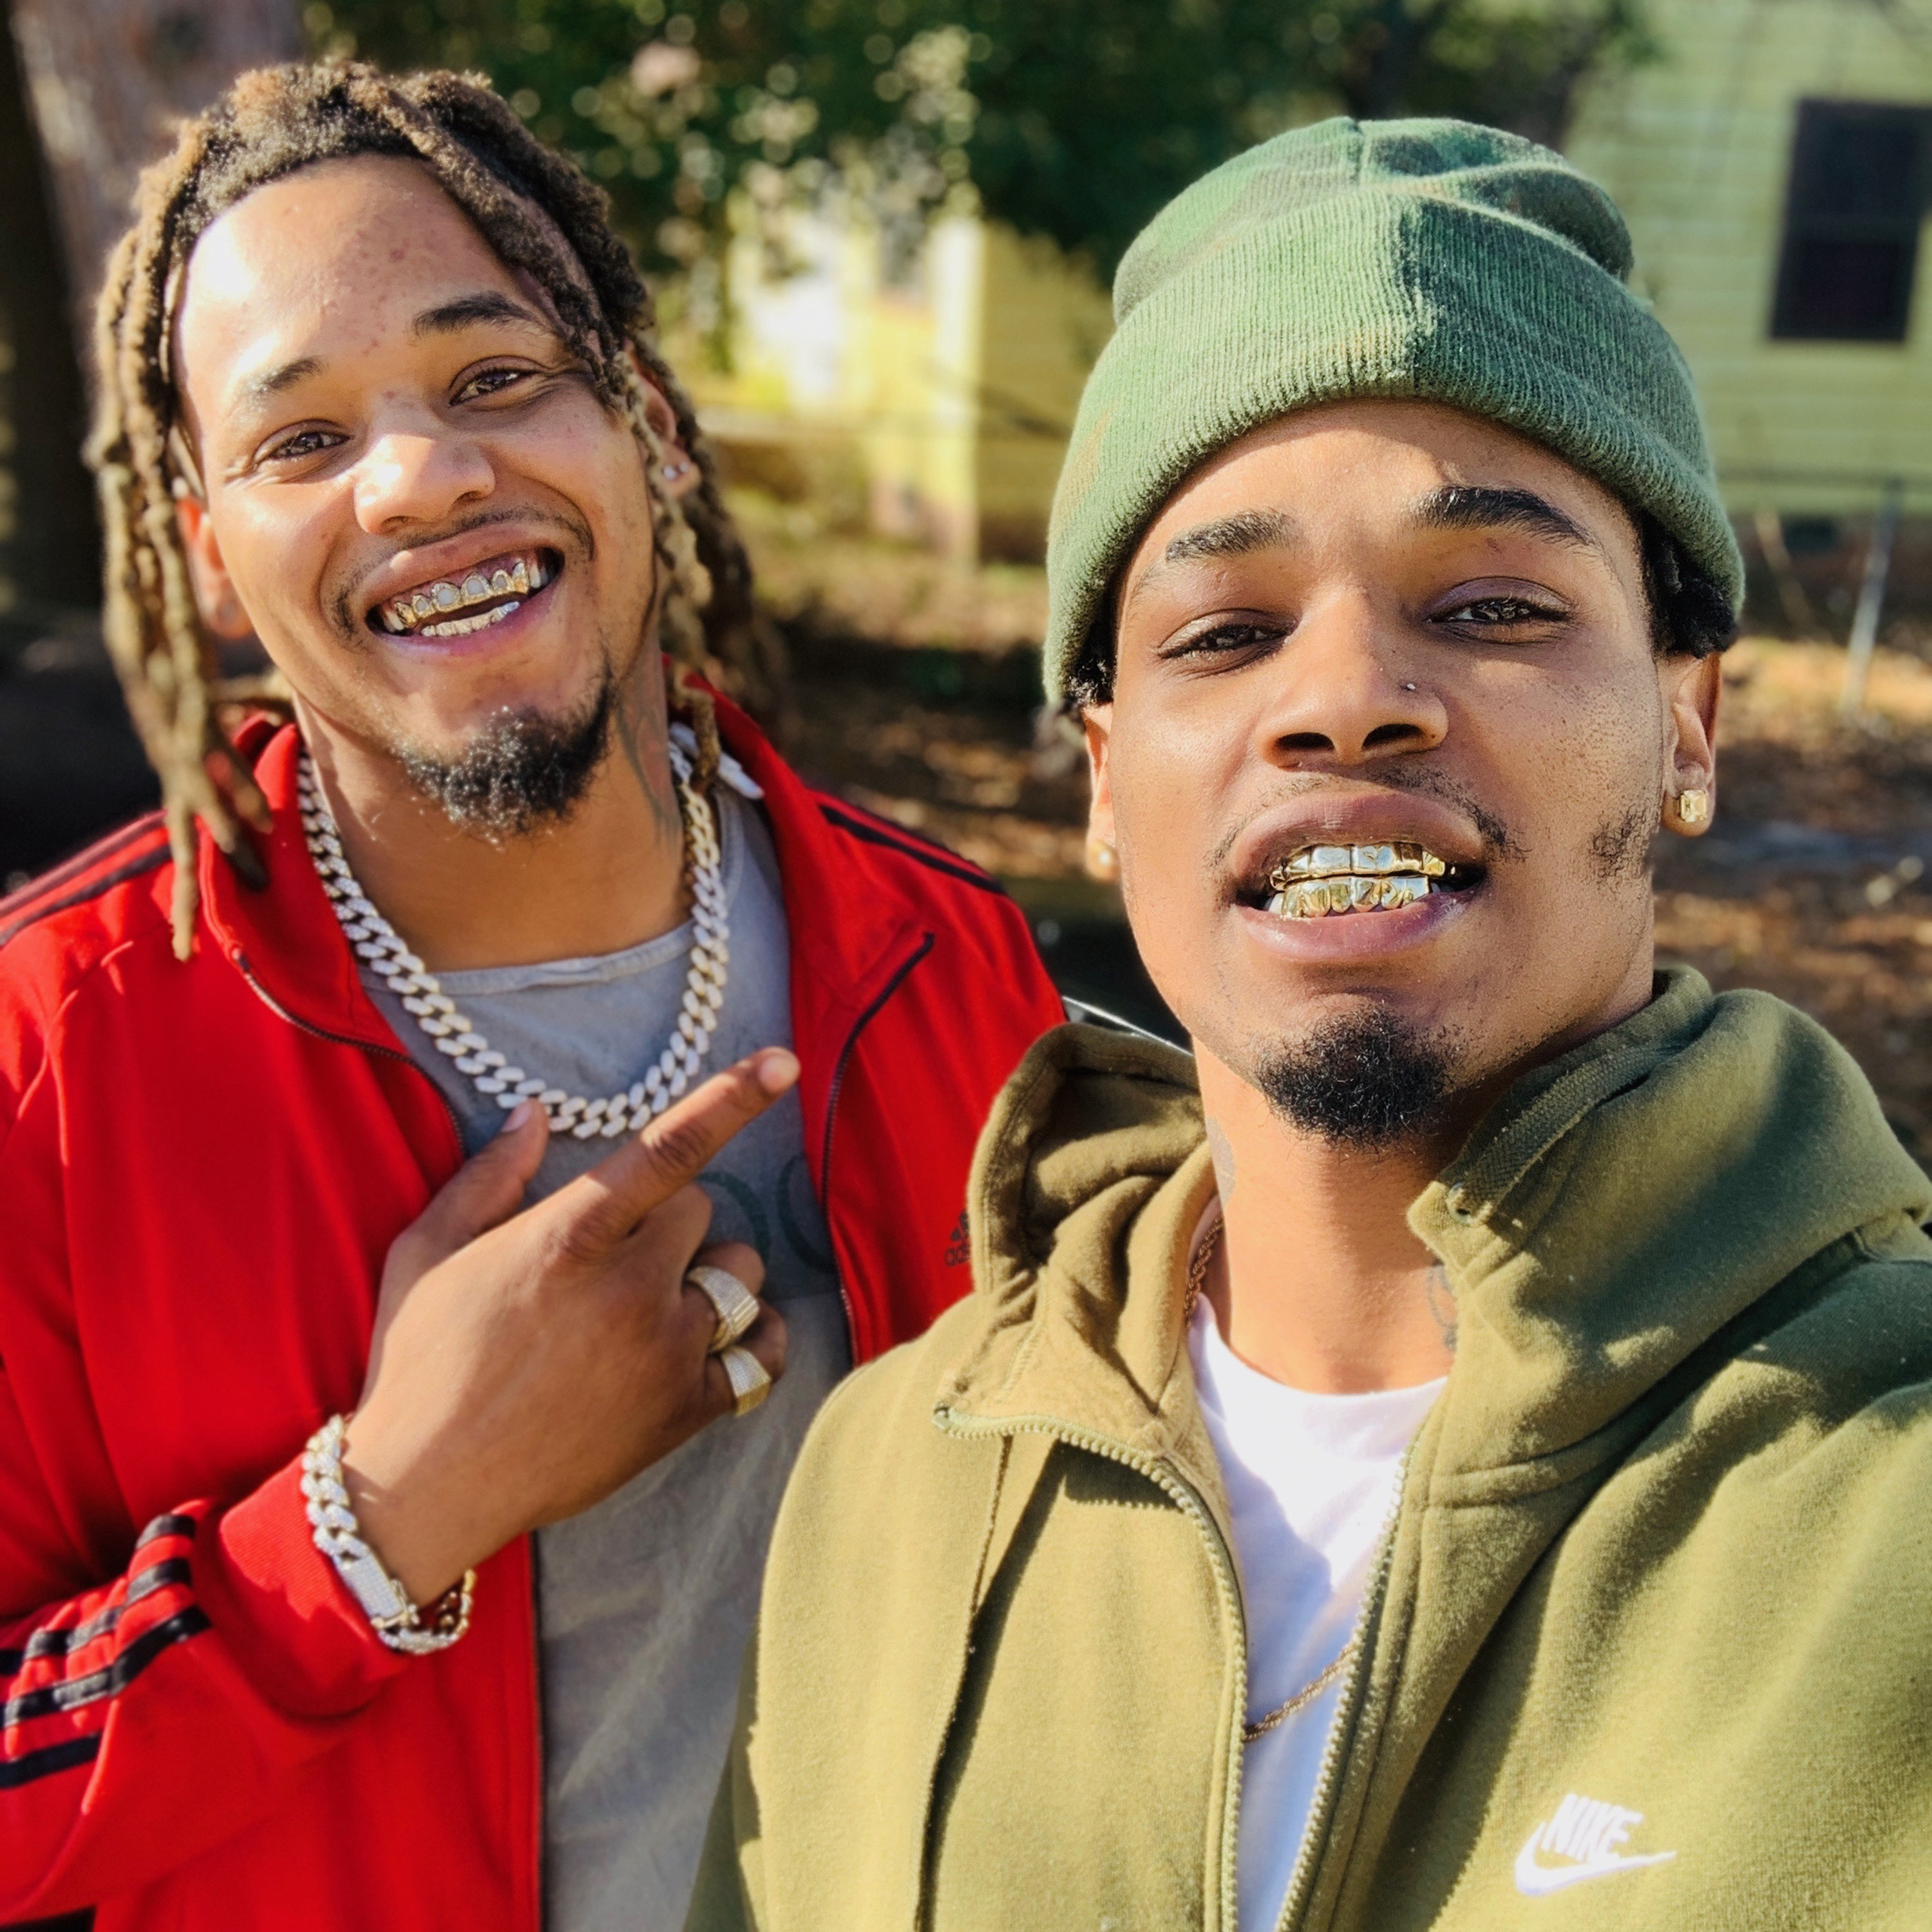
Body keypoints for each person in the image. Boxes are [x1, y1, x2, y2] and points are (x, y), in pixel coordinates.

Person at [688, 118, 1932, 1932]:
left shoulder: (1890, 1493)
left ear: (1688, 723)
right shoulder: (893, 1477)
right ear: (1105, 778)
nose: (1344, 700)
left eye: (1493, 606)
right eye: (1223, 632)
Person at [0, 62, 1063, 1932]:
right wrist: (380, 1520)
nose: (421, 477)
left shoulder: (946, 967)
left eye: (495, 378)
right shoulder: (52, 1060)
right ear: (210, 556)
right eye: (301, 439)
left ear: (646, 424)